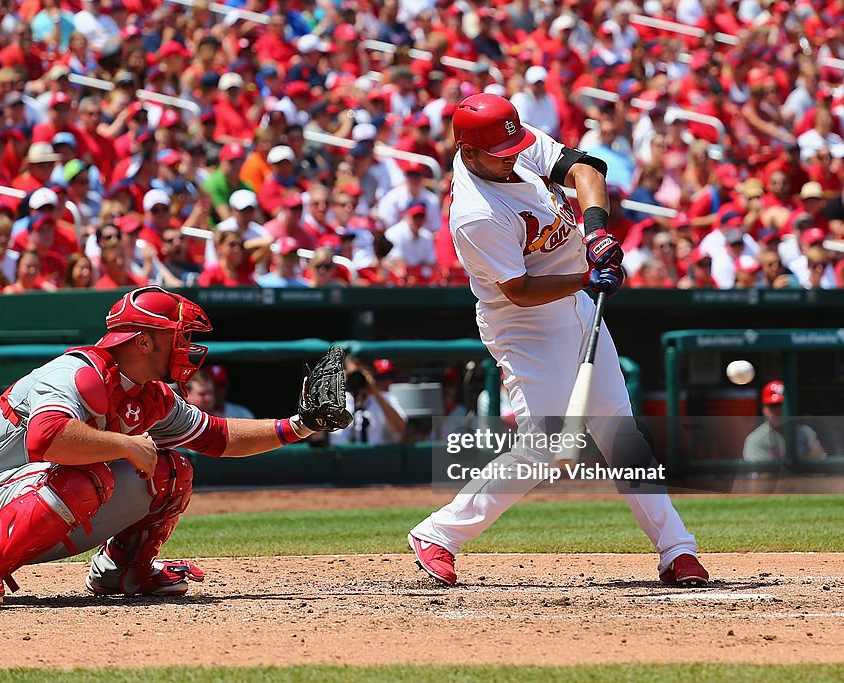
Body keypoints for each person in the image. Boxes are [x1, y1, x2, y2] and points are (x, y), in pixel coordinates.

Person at [407, 93, 707, 588]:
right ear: (469, 152)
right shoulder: (475, 213)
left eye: (514, 147)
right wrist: (588, 276)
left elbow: (587, 171)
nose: (513, 157)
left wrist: (595, 234)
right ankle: (438, 534)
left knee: (621, 433)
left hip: (576, 305)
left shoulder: (510, 143)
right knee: (543, 446)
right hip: (524, 327)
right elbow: (519, 290)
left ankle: (677, 551)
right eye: (501, 155)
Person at [0, 286, 350, 608]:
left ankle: (125, 571)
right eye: (179, 336)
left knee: (174, 471)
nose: (188, 345)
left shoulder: (151, 394)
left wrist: (300, 425)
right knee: (90, 472)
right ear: (144, 342)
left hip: (44, 497)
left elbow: (219, 438)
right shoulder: (77, 373)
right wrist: (126, 445)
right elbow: (47, 439)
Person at [330, 358, 407, 446]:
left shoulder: (385, 398)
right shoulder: (333, 401)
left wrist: (374, 391)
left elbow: (401, 429)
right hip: (339, 457)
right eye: (354, 374)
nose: (357, 379)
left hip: (375, 457)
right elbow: (316, 436)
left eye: (361, 375)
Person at [743, 381, 825, 463]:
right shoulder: (756, 440)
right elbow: (764, 475)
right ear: (764, 409)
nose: (779, 410)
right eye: (773, 406)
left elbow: (820, 466)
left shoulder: (806, 433)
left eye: (783, 405)